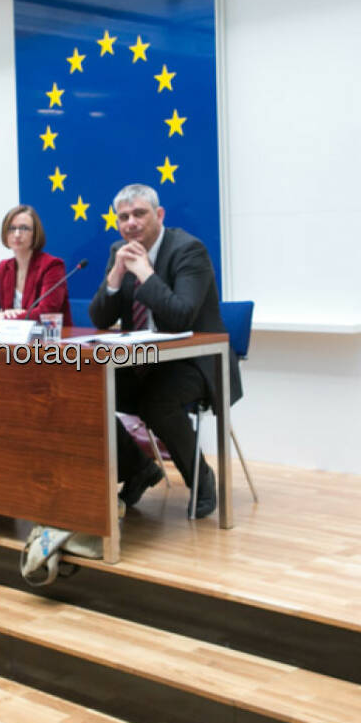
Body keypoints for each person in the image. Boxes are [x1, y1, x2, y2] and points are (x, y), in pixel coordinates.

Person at [89, 184, 241, 518]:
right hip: (146, 362)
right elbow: (100, 318)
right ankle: (138, 468)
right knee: (89, 392)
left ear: (159, 215)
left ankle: (201, 479)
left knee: (157, 402)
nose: (131, 223)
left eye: (139, 214)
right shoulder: (120, 250)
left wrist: (145, 273)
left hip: (197, 361)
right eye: (123, 217)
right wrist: (116, 275)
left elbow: (180, 315)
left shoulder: (189, 251)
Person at [0, 204, 71, 325]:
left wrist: (5, 317)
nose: (17, 234)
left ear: (35, 233)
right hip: (11, 339)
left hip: (48, 339)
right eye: (12, 228)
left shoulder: (52, 265)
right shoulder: (5, 267)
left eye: (24, 228)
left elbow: (46, 312)